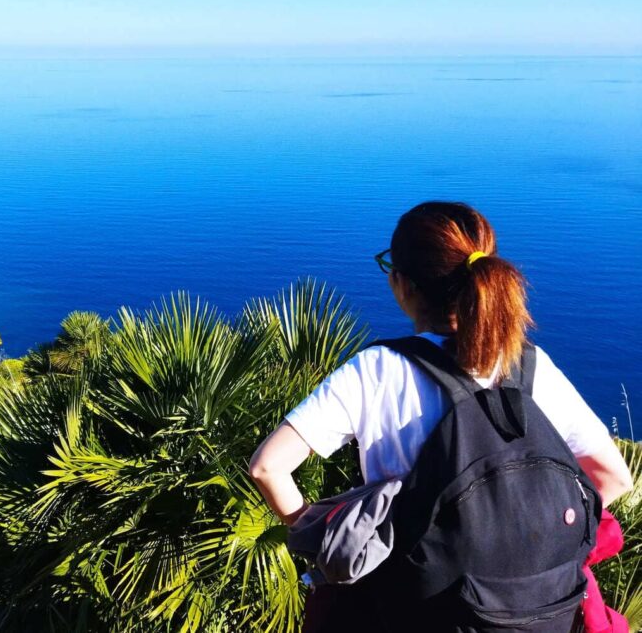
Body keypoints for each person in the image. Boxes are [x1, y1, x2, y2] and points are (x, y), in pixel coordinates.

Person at [248, 201, 634, 629]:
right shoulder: (529, 365)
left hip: (417, 610)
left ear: (402, 284)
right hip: (545, 615)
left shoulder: (377, 370)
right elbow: (613, 478)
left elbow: (268, 468)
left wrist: (329, 536)